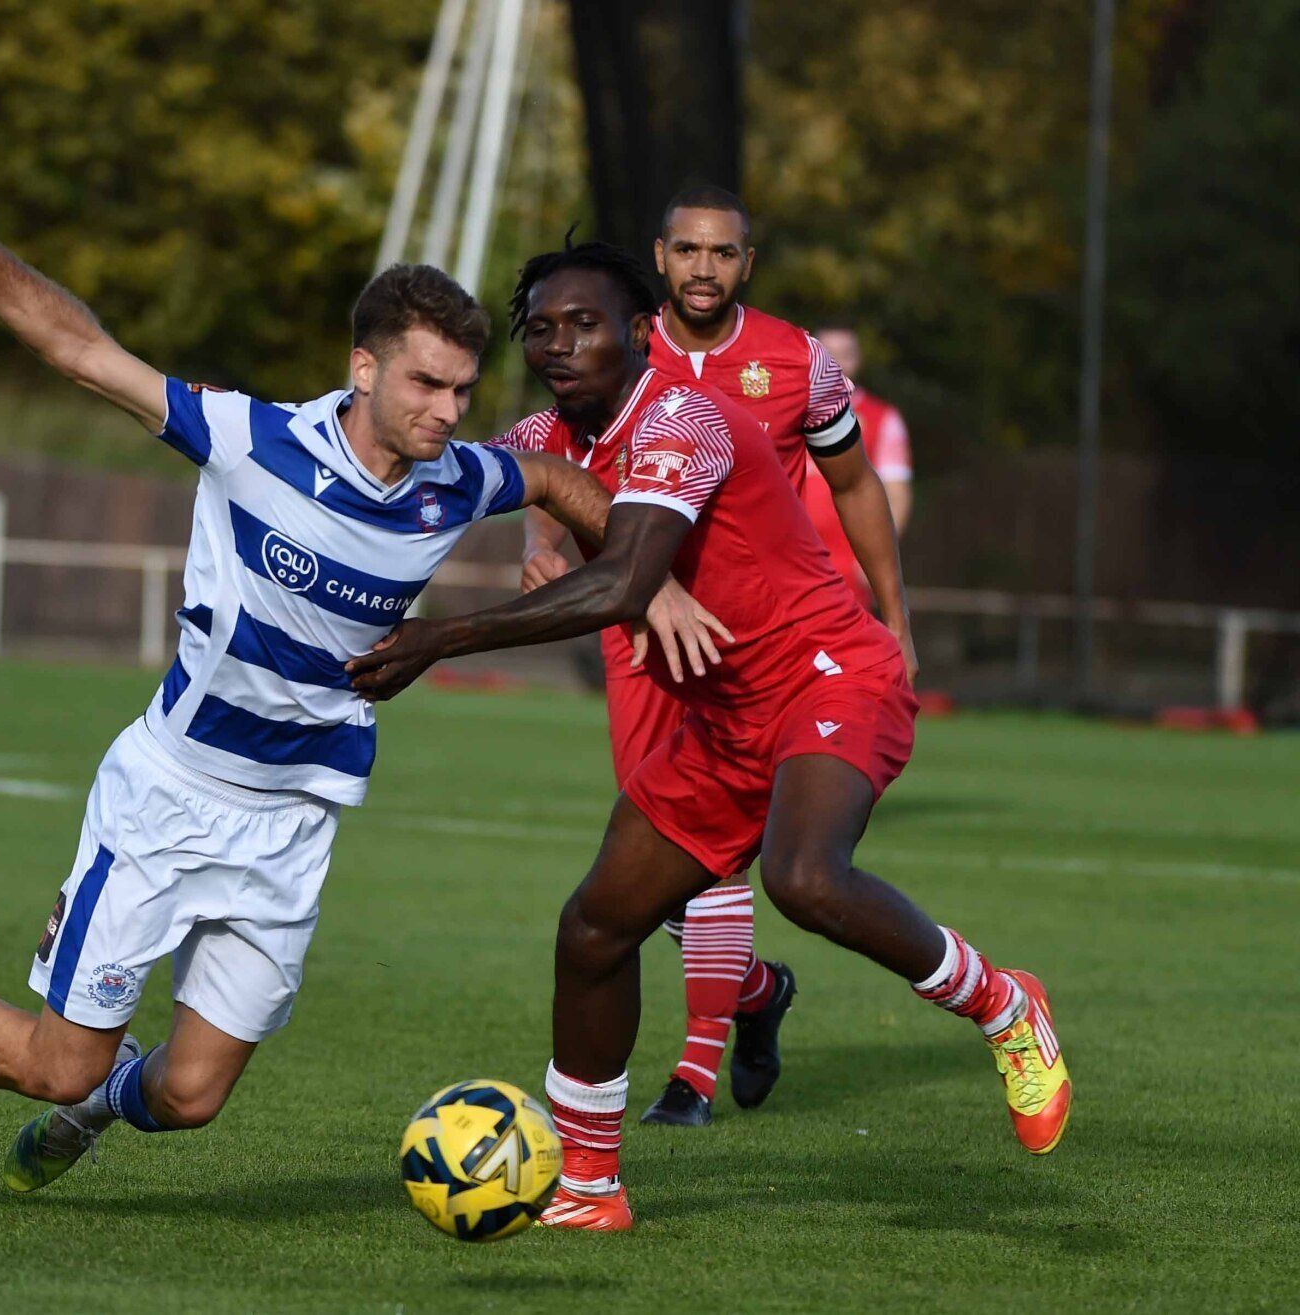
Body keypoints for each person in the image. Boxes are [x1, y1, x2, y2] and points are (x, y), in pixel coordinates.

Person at [0, 186, 613, 1195]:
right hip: (170, 799)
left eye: (463, 390)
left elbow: (552, 476)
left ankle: (95, 1107)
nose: (448, 410)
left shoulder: (457, 478)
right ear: (364, 368)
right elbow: (82, 351)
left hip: (296, 822)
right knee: (57, 1062)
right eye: (427, 383)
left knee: (190, 1096)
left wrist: (589, 550)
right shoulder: (250, 440)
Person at [350, 242, 1070, 1231]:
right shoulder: (541, 433)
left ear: (642, 332)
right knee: (595, 927)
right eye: (543, 329)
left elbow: (623, 581)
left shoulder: (683, 417)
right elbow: (480, 473)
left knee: (802, 876)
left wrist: (441, 636)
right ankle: (590, 1186)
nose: (561, 344)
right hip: (724, 720)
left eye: (586, 324)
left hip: (829, 673)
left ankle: (1002, 1004)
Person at [518, 189, 915, 1127]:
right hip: (643, 632)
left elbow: (855, 482)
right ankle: (755, 992)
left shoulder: (797, 360)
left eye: (723, 253)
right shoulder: (606, 340)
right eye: (688, 251)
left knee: (733, 868)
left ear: (747, 263)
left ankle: (694, 1075)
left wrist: (896, 614)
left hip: (762, 637)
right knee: (662, 872)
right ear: (661, 257)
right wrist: (537, 542)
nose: (705, 268)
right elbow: (557, 463)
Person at [804, 324, 914, 609]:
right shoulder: (787, 410)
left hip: (848, 558)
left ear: (858, 359)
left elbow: (897, 494)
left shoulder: (882, 418)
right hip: (791, 552)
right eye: (828, 354)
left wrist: (876, 556)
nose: (837, 363)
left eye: (845, 354)